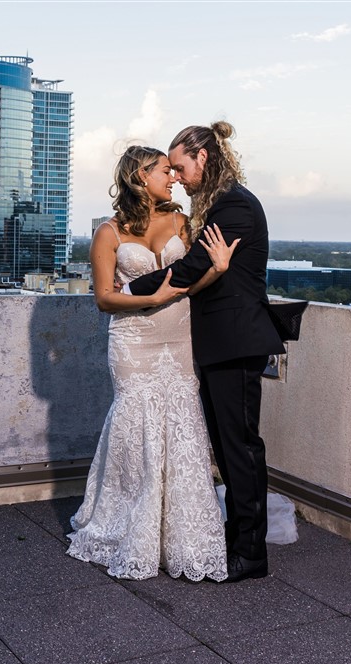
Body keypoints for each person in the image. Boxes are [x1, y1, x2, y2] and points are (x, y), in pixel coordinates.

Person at [124, 122, 287, 582]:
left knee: (240, 449)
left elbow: (193, 266)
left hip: (236, 342)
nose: (176, 176)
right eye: (169, 169)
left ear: (204, 157)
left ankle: (250, 553)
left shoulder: (234, 205)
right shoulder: (218, 203)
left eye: (180, 167)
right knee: (229, 446)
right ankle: (239, 540)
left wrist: (132, 286)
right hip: (221, 343)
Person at [66, 146, 237, 581]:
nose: (174, 177)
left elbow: (193, 281)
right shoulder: (108, 233)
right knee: (135, 421)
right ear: (141, 176)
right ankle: (126, 525)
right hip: (133, 340)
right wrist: (152, 298)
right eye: (166, 170)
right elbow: (104, 298)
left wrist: (217, 269)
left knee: (181, 422)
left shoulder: (183, 221)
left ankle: (180, 534)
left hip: (178, 336)